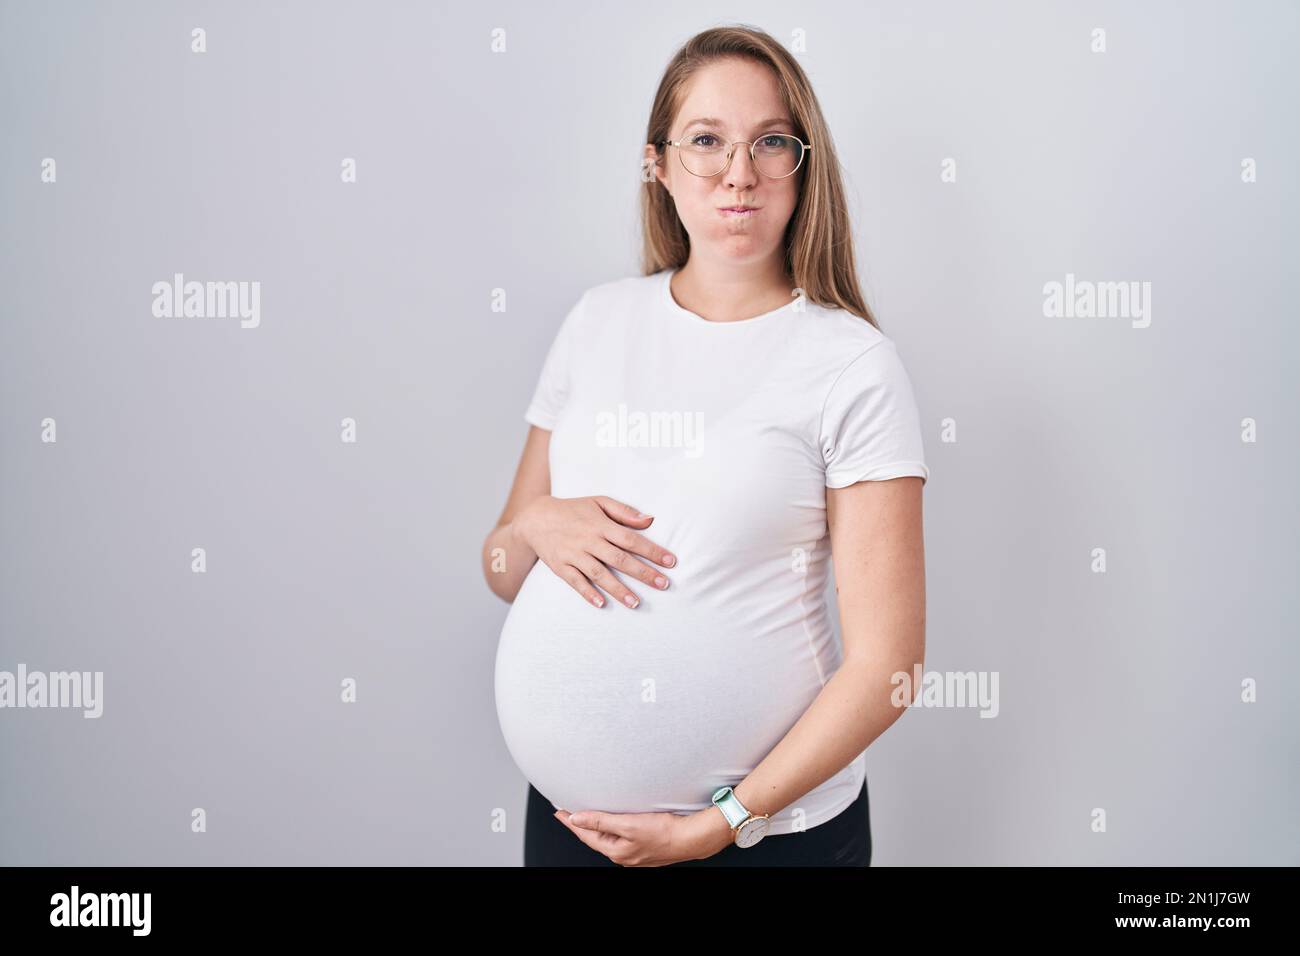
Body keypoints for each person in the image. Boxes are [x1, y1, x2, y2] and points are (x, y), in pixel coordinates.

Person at [481, 25, 928, 867]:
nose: (739, 172)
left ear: (803, 164)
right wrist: (536, 524)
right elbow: (501, 569)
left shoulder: (852, 365)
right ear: (657, 164)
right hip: (573, 828)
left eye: (770, 143)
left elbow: (889, 666)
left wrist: (718, 824)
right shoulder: (596, 321)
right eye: (706, 141)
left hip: (761, 840)